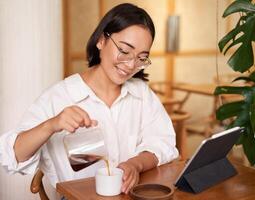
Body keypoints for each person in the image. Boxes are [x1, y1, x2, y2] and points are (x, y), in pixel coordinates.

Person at [0, 3, 178, 194]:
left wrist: (136, 164)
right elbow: (12, 156)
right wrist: (52, 124)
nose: (131, 64)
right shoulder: (61, 96)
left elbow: (164, 143)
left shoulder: (141, 94)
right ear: (101, 40)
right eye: (125, 51)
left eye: (141, 57)